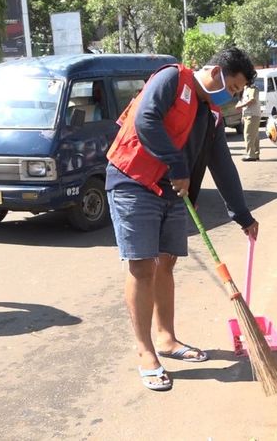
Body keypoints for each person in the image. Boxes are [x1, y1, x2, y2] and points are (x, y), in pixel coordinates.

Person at [105, 47, 259, 392]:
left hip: (173, 191)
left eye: (237, 93)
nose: (232, 96)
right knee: (142, 266)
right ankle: (146, 352)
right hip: (134, 180)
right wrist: (177, 166)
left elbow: (222, 165)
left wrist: (242, 214)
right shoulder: (172, 78)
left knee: (167, 263)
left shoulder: (212, 114)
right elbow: (146, 119)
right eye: (233, 87)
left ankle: (167, 338)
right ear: (218, 72)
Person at [235, 82, 261, 161]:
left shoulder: (252, 88)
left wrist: (241, 106)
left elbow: (252, 100)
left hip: (252, 115)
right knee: (254, 135)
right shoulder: (245, 89)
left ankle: (251, 155)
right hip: (248, 115)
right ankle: (255, 154)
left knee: (248, 135)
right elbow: (243, 101)